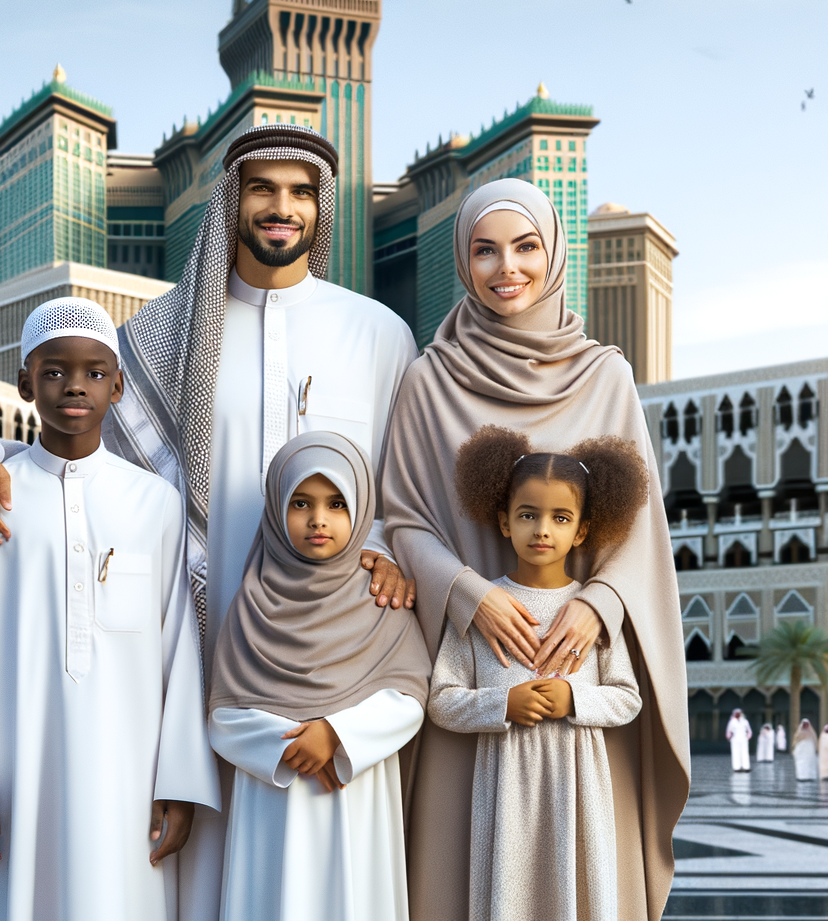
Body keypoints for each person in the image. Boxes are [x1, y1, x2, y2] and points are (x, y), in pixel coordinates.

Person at [0, 125, 418, 921]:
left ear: (322, 208)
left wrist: (392, 556)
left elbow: (406, 491)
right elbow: (77, 447)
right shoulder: (162, 337)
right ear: (231, 198)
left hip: (330, 665)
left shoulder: (379, 334)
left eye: (301, 191)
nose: (281, 208)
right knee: (193, 881)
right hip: (194, 650)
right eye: (263, 188)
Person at [381, 178, 690, 921]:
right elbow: (403, 518)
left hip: (577, 677)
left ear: (553, 254)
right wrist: (470, 594)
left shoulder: (605, 374)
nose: (505, 267)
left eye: (525, 247)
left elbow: (642, 527)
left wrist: (602, 604)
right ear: (462, 261)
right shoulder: (429, 380)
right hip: (479, 668)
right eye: (485, 250)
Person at [0, 297, 220, 921]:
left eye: (94, 372)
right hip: (11, 767)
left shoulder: (156, 502)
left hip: (127, 772)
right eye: (53, 371)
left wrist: (180, 781)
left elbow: (177, 652)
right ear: (25, 383)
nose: (74, 386)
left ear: (119, 386)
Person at [209, 433, 431, 921]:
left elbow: (411, 695)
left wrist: (336, 734)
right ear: (275, 509)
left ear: (359, 510)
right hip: (274, 792)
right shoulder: (252, 603)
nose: (318, 519)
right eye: (300, 503)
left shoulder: (380, 598)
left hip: (355, 790)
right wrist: (287, 745)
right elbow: (224, 713)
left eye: (336, 503)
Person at [428, 427, 645, 921]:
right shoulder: (485, 607)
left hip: (578, 780)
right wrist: (502, 704)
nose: (542, 530)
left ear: (582, 531)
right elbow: (441, 699)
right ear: (504, 522)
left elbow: (626, 696)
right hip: (505, 780)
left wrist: (574, 699)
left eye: (560, 518)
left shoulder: (591, 611)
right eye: (528, 515)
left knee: (578, 890)